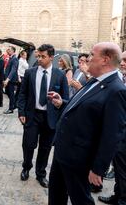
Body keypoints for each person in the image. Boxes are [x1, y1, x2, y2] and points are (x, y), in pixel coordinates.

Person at [48, 42, 126, 205]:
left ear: (105, 60)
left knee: (81, 200)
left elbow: (112, 134)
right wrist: (62, 103)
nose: (87, 58)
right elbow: (85, 107)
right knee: (56, 195)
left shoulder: (116, 90)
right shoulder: (95, 80)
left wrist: (98, 169)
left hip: (79, 158)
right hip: (63, 151)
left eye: (91, 55)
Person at [18, 44, 69, 188]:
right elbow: (22, 94)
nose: (39, 59)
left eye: (43, 56)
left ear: (51, 58)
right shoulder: (30, 73)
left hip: (50, 118)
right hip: (32, 115)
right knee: (28, 145)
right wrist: (21, 112)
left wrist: (60, 102)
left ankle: (41, 174)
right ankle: (26, 167)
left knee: (45, 148)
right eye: (38, 56)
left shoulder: (60, 76)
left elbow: (66, 99)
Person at [98, 50, 126, 205]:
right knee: (119, 169)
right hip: (119, 135)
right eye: (121, 60)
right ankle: (117, 196)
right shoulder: (121, 79)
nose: (122, 63)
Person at [3, 46, 18, 114]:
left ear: (12, 51)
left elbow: (13, 70)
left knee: (11, 94)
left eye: (9, 49)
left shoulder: (14, 59)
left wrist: (8, 79)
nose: (7, 50)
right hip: (8, 79)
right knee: (8, 93)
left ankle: (11, 108)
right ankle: (14, 104)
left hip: (11, 80)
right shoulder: (11, 58)